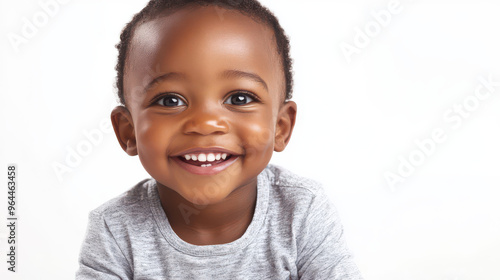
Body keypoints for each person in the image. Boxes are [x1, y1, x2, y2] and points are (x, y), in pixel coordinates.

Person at [76, 0, 364, 279]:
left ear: (281, 126)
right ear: (128, 131)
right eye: (170, 100)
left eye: (239, 98)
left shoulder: (301, 211)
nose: (205, 124)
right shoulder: (115, 229)